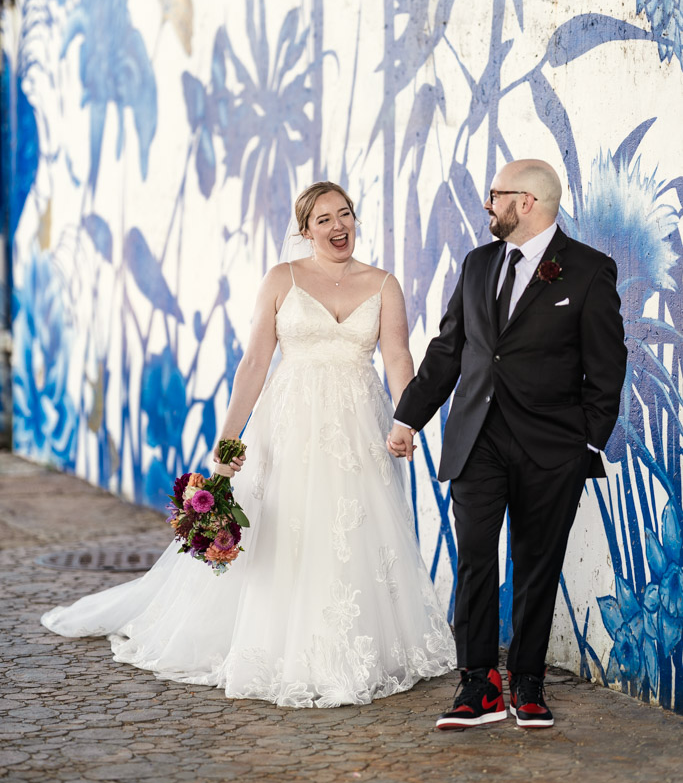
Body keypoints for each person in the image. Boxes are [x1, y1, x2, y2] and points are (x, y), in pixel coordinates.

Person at [42, 181, 457, 706]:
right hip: (288, 427)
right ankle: (278, 643)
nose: (338, 226)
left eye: (345, 214)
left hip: (359, 429)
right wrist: (228, 443)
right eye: (324, 218)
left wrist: (406, 420)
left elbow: (399, 358)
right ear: (306, 231)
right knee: (287, 529)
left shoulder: (383, 284)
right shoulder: (282, 280)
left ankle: (354, 649)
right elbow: (255, 363)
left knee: (352, 529)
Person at [388, 159, 627, 729]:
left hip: (553, 447)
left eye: (496, 196)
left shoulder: (590, 271)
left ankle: (527, 682)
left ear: (527, 203)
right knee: (474, 557)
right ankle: (478, 684)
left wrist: (585, 443)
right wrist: (409, 419)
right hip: (478, 440)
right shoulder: (477, 264)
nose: (487, 205)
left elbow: (607, 367)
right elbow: (449, 350)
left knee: (537, 564)